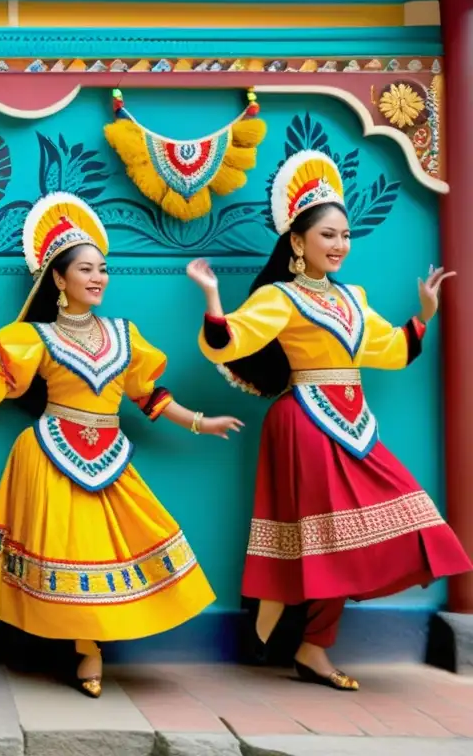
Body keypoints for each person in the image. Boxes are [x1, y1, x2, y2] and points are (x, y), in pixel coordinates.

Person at [187, 149, 472, 691]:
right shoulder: (280, 298)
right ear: (298, 241)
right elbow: (230, 341)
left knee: (394, 516)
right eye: (328, 236)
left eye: (345, 235)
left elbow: (386, 348)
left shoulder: (353, 296)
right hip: (304, 421)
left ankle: (312, 645)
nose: (340, 245)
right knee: (325, 539)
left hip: (354, 422)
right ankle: (308, 647)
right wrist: (212, 296)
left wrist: (424, 316)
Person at [0, 192, 242, 698]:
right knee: (67, 549)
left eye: (103, 269)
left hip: (109, 454)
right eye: (85, 269)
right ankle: (87, 648)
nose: (98, 278)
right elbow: (4, 383)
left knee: (122, 544)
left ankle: (97, 640)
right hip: (49, 453)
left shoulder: (125, 335)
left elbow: (148, 397)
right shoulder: (32, 337)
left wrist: (200, 422)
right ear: (59, 280)